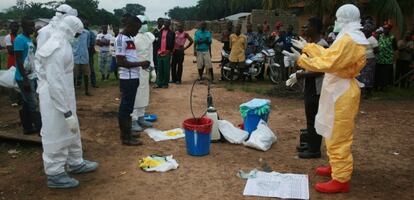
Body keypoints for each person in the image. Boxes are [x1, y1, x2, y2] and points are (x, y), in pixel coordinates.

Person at [283, 4, 369, 193]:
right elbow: (330, 54)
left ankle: (341, 178)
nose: (335, 22)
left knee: (339, 134)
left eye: (338, 18)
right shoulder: (347, 37)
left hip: (342, 91)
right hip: (336, 89)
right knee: (330, 129)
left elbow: (329, 63)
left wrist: (302, 59)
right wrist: (309, 47)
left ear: (344, 19)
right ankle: (335, 166)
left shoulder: (350, 40)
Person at [35, 15, 98, 189]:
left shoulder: (63, 44)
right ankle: (54, 173)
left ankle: (75, 162)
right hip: (54, 99)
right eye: (77, 34)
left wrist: (68, 109)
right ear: (70, 31)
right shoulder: (55, 48)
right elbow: (54, 82)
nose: (77, 38)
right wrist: (65, 110)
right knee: (55, 134)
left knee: (70, 131)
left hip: (64, 96)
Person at [289, 17, 328, 159]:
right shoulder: (312, 44)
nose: (305, 28)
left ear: (315, 28)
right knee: (310, 117)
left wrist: (301, 75)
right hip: (311, 85)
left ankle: (314, 150)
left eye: (308, 26)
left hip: (317, 87)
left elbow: (321, 70)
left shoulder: (322, 45)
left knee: (314, 118)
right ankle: (311, 144)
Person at [115, 15, 151, 146]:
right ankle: (125, 138)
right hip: (127, 78)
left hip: (133, 77)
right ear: (129, 26)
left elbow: (130, 58)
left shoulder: (129, 38)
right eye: (136, 29)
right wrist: (140, 63)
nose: (137, 32)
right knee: (125, 108)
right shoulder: (120, 39)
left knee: (129, 107)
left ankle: (128, 132)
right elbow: (120, 61)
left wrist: (141, 64)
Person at [14, 18, 42, 135]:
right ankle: (40, 129)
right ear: (24, 27)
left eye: (33, 26)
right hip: (24, 77)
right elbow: (19, 60)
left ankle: (27, 127)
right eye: (30, 26)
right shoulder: (19, 39)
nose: (33, 28)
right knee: (33, 104)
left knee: (27, 103)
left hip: (32, 76)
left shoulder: (29, 39)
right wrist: (25, 79)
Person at [131, 15, 156, 132]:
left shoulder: (149, 37)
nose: (145, 25)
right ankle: (133, 119)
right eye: (143, 22)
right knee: (135, 94)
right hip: (135, 69)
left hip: (145, 70)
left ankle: (141, 116)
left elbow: (150, 54)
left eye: (146, 22)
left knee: (144, 93)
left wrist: (153, 69)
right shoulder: (132, 38)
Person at [357, 22, 378, 97]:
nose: (364, 32)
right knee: (361, 75)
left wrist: (370, 56)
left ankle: (368, 91)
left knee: (368, 75)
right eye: (364, 30)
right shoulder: (362, 38)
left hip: (370, 60)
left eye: (366, 31)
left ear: (369, 31)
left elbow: (376, 50)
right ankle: (362, 90)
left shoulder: (372, 40)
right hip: (362, 59)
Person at [72, 20, 92, 96]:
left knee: (86, 74)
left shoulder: (87, 33)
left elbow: (88, 44)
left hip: (84, 56)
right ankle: (73, 92)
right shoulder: (73, 33)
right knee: (74, 75)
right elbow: (71, 43)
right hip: (75, 56)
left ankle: (87, 91)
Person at [154, 19, 175, 88]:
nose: (166, 24)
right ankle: (159, 83)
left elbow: (173, 43)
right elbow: (156, 41)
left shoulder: (172, 33)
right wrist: (157, 50)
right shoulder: (160, 32)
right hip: (159, 52)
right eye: (165, 23)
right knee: (160, 68)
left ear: (169, 24)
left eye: (167, 23)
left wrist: (170, 50)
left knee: (166, 69)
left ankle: (165, 83)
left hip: (167, 52)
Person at [375, 24, 397, 90]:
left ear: (389, 30)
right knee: (378, 73)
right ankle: (377, 86)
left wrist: (394, 58)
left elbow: (395, 48)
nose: (385, 30)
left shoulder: (392, 38)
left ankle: (384, 86)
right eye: (384, 29)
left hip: (388, 59)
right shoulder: (379, 36)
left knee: (385, 74)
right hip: (379, 58)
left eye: (387, 29)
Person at [4, 21, 20, 107]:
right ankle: (13, 99)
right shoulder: (8, 37)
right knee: (12, 80)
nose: (16, 28)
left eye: (17, 27)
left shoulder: (18, 37)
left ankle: (19, 98)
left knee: (19, 79)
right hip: (12, 60)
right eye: (14, 27)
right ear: (10, 28)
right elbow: (10, 51)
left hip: (18, 60)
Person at [85, 20, 98, 88]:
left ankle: (93, 82)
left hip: (88, 51)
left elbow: (93, 43)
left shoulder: (90, 33)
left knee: (90, 67)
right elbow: (93, 43)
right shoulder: (91, 33)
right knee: (90, 67)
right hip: (88, 51)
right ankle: (93, 83)